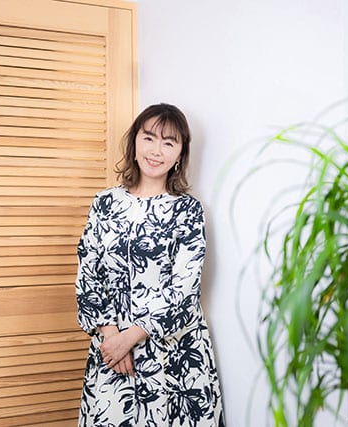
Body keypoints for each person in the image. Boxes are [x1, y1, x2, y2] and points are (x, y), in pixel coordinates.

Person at [75, 103, 225, 426]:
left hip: (175, 352)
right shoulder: (105, 203)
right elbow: (88, 274)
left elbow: (185, 289)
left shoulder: (188, 211)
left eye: (169, 143)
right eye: (149, 138)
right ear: (134, 142)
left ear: (180, 154)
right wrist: (112, 337)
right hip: (112, 347)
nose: (156, 151)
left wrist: (129, 338)